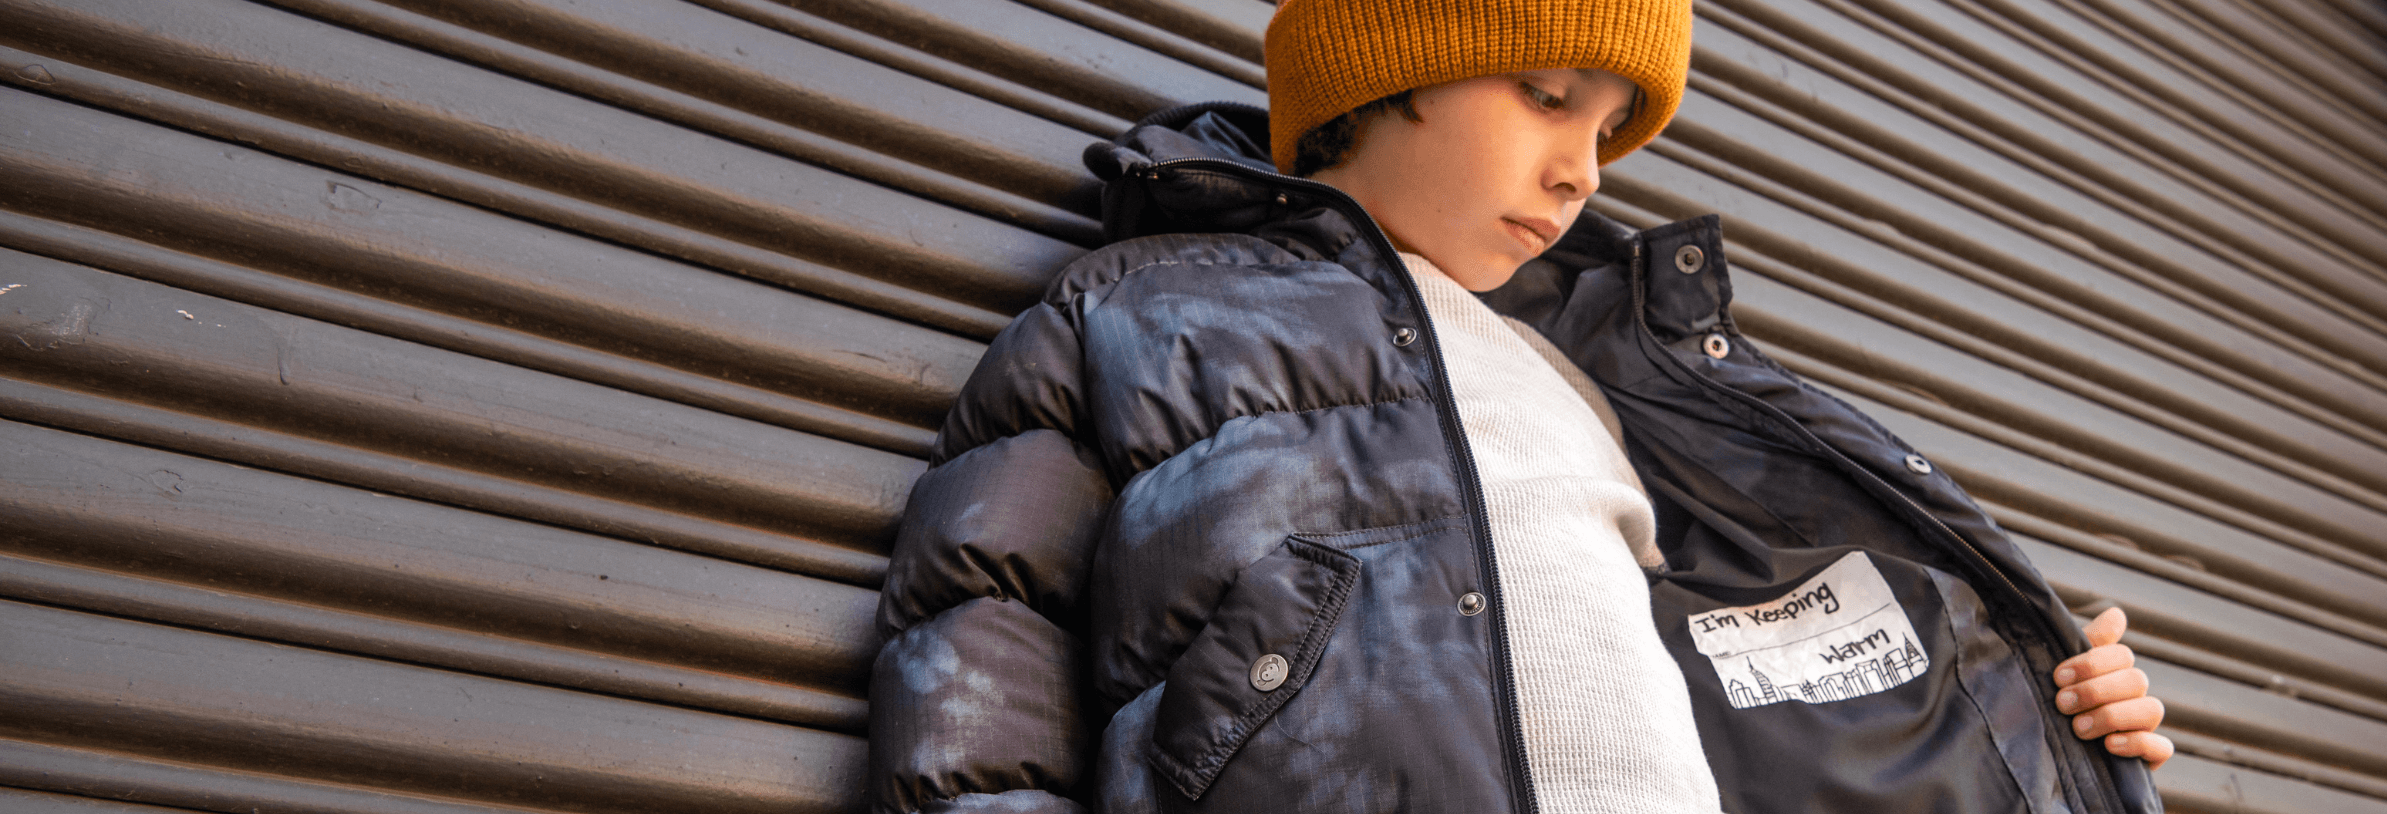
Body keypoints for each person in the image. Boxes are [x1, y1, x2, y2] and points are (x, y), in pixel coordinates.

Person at [866, 0, 2172, 811]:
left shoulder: (1610, 370)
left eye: (1609, 132)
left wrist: (2027, 691)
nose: (1577, 172)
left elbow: (1781, 680)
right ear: (1387, 68)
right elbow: (978, 663)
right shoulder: (1141, 310)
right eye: (1549, 97)